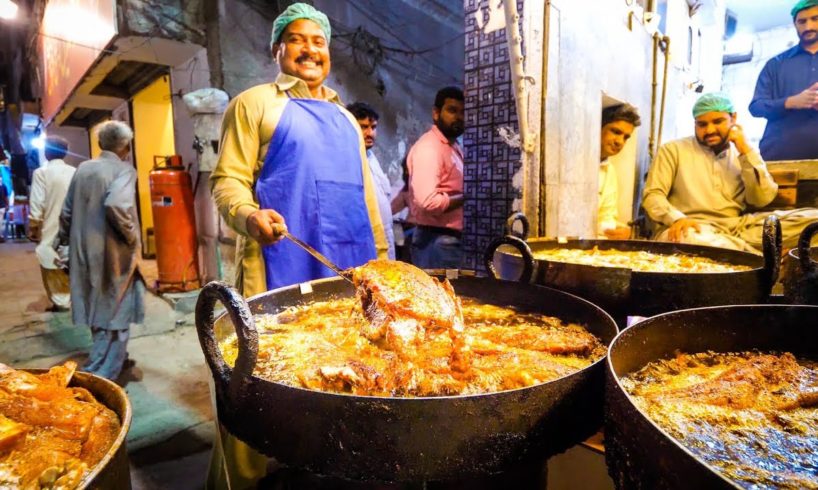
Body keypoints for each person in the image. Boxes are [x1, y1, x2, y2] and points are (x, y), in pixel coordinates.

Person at [208, 4, 387, 488]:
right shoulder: (254, 104)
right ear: (278, 49)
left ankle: (322, 467)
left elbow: (365, 197)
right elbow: (227, 182)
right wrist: (249, 216)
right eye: (298, 39)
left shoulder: (347, 120)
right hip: (276, 263)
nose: (310, 49)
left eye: (319, 41)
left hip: (346, 267)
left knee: (341, 368)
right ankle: (241, 481)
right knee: (258, 378)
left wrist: (385, 260)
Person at [643, 92, 818, 252]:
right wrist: (676, 218)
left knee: (814, 220)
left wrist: (746, 152)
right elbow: (653, 195)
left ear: (733, 118)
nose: (709, 130)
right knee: (689, 240)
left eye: (717, 121)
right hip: (691, 228)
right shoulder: (672, 150)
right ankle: (764, 261)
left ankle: (745, 254)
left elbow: (761, 199)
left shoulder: (743, 152)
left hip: (739, 228)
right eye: (702, 124)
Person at [55, 121, 144, 381]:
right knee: (118, 313)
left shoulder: (83, 168)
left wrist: (63, 242)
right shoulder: (124, 170)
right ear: (125, 146)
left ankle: (104, 359)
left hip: (83, 251)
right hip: (113, 254)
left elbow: (67, 212)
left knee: (97, 307)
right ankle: (104, 373)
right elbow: (116, 204)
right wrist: (131, 236)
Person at [749, 0, 818, 161]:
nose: (808, 27)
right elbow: (756, 107)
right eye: (802, 21)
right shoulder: (776, 64)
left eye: (815, 19)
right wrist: (791, 102)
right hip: (781, 157)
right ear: (795, 25)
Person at [407, 86, 465, 269]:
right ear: (436, 113)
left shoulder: (452, 147)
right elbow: (427, 201)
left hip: (446, 241)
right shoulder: (429, 148)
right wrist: (466, 198)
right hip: (436, 242)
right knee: (438, 296)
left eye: (463, 112)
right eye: (452, 110)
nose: (459, 117)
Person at [28, 136, 75, 311]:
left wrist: (33, 226)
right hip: (73, 228)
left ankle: (61, 301)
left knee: (51, 264)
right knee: (71, 261)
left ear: (47, 152)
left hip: (51, 227)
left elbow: (37, 203)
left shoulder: (41, 173)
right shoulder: (75, 171)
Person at [347, 101, 395, 258]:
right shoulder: (347, 160)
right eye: (363, 127)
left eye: (373, 127)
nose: (370, 133)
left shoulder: (372, 158)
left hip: (385, 235)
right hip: (364, 239)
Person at [598, 104, 641, 239]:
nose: (620, 142)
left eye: (626, 137)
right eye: (616, 132)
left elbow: (606, 215)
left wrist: (620, 231)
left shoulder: (609, 170)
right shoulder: (572, 165)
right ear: (597, 128)